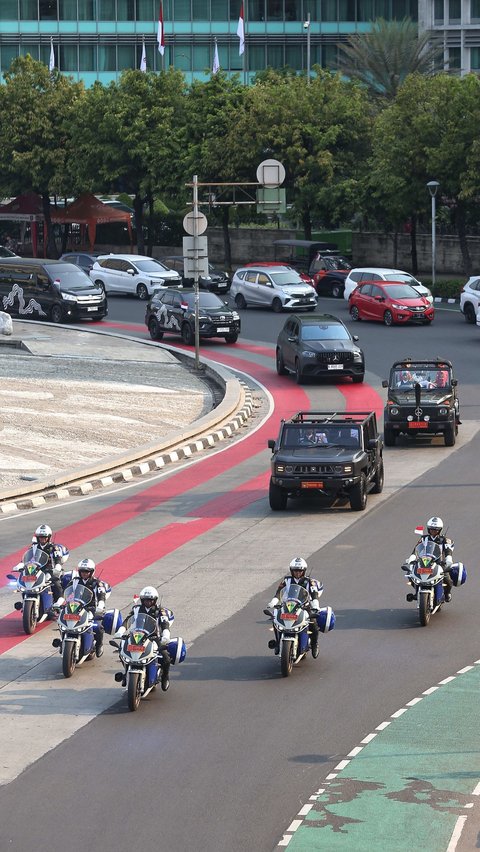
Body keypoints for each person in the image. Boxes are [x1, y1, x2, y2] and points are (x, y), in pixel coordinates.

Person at [266, 557, 322, 655]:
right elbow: (278, 593)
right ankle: (278, 643)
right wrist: (273, 602)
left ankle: (314, 644)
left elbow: (314, 594)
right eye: (295, 570)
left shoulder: (309, 582)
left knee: (313, 623)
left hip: (305, 607)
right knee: (276, 621)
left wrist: (315, 606)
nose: (297, 573)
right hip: (288, 606)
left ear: (304, 571)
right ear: (291, 570)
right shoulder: (286, 581)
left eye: (300, 571)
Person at [123, 586, 172, 691]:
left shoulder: (160, 610)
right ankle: (126, 673)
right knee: (124, 652)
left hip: (153, 637)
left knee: (166, 658)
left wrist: (166, 633)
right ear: (142, 600)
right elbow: (128, 620)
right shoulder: (136, 609)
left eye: (150, 600)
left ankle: (165, 677)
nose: (148, 602)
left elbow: (164, 622)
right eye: (146, 600)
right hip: (137, 636)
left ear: (154, 600)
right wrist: (121, 629)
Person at [403, 516, 454, 601]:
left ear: (440, 530)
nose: (433, 531)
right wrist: (411, 558)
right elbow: (416, 549)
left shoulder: (444, 540)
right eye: (431, 529)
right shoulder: (424, 538)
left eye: (436, 529)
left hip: (439, 563)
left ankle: (447, 593)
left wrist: (449, 559)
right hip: (424, 562)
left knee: (447, 578)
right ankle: (417, 592)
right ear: (428, 529)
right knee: (412, 575)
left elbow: (448, 550)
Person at [74, 558, 108, 657]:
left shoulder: (97, 583)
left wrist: (100, 605)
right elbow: (67, 591)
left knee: (97, 627)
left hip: (91, 608)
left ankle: (99, 645)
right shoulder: (75, 581)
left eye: (87, 571)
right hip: (75, 607)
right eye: (82, 571)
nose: (84, 574)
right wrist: (60, 601)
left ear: (91, 572)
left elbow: (102, 594)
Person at [27, 523, 69, 603]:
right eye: (40, 537)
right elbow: (27, 557)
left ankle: (59, 601)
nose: (42, 539)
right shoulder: (34, 547)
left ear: (49, 537)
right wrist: (21, 565)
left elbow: (58, 558)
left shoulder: (53, 547)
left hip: (50, 570)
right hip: (36, 570)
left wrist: (57, 566)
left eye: (44, 537)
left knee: (55, 581)